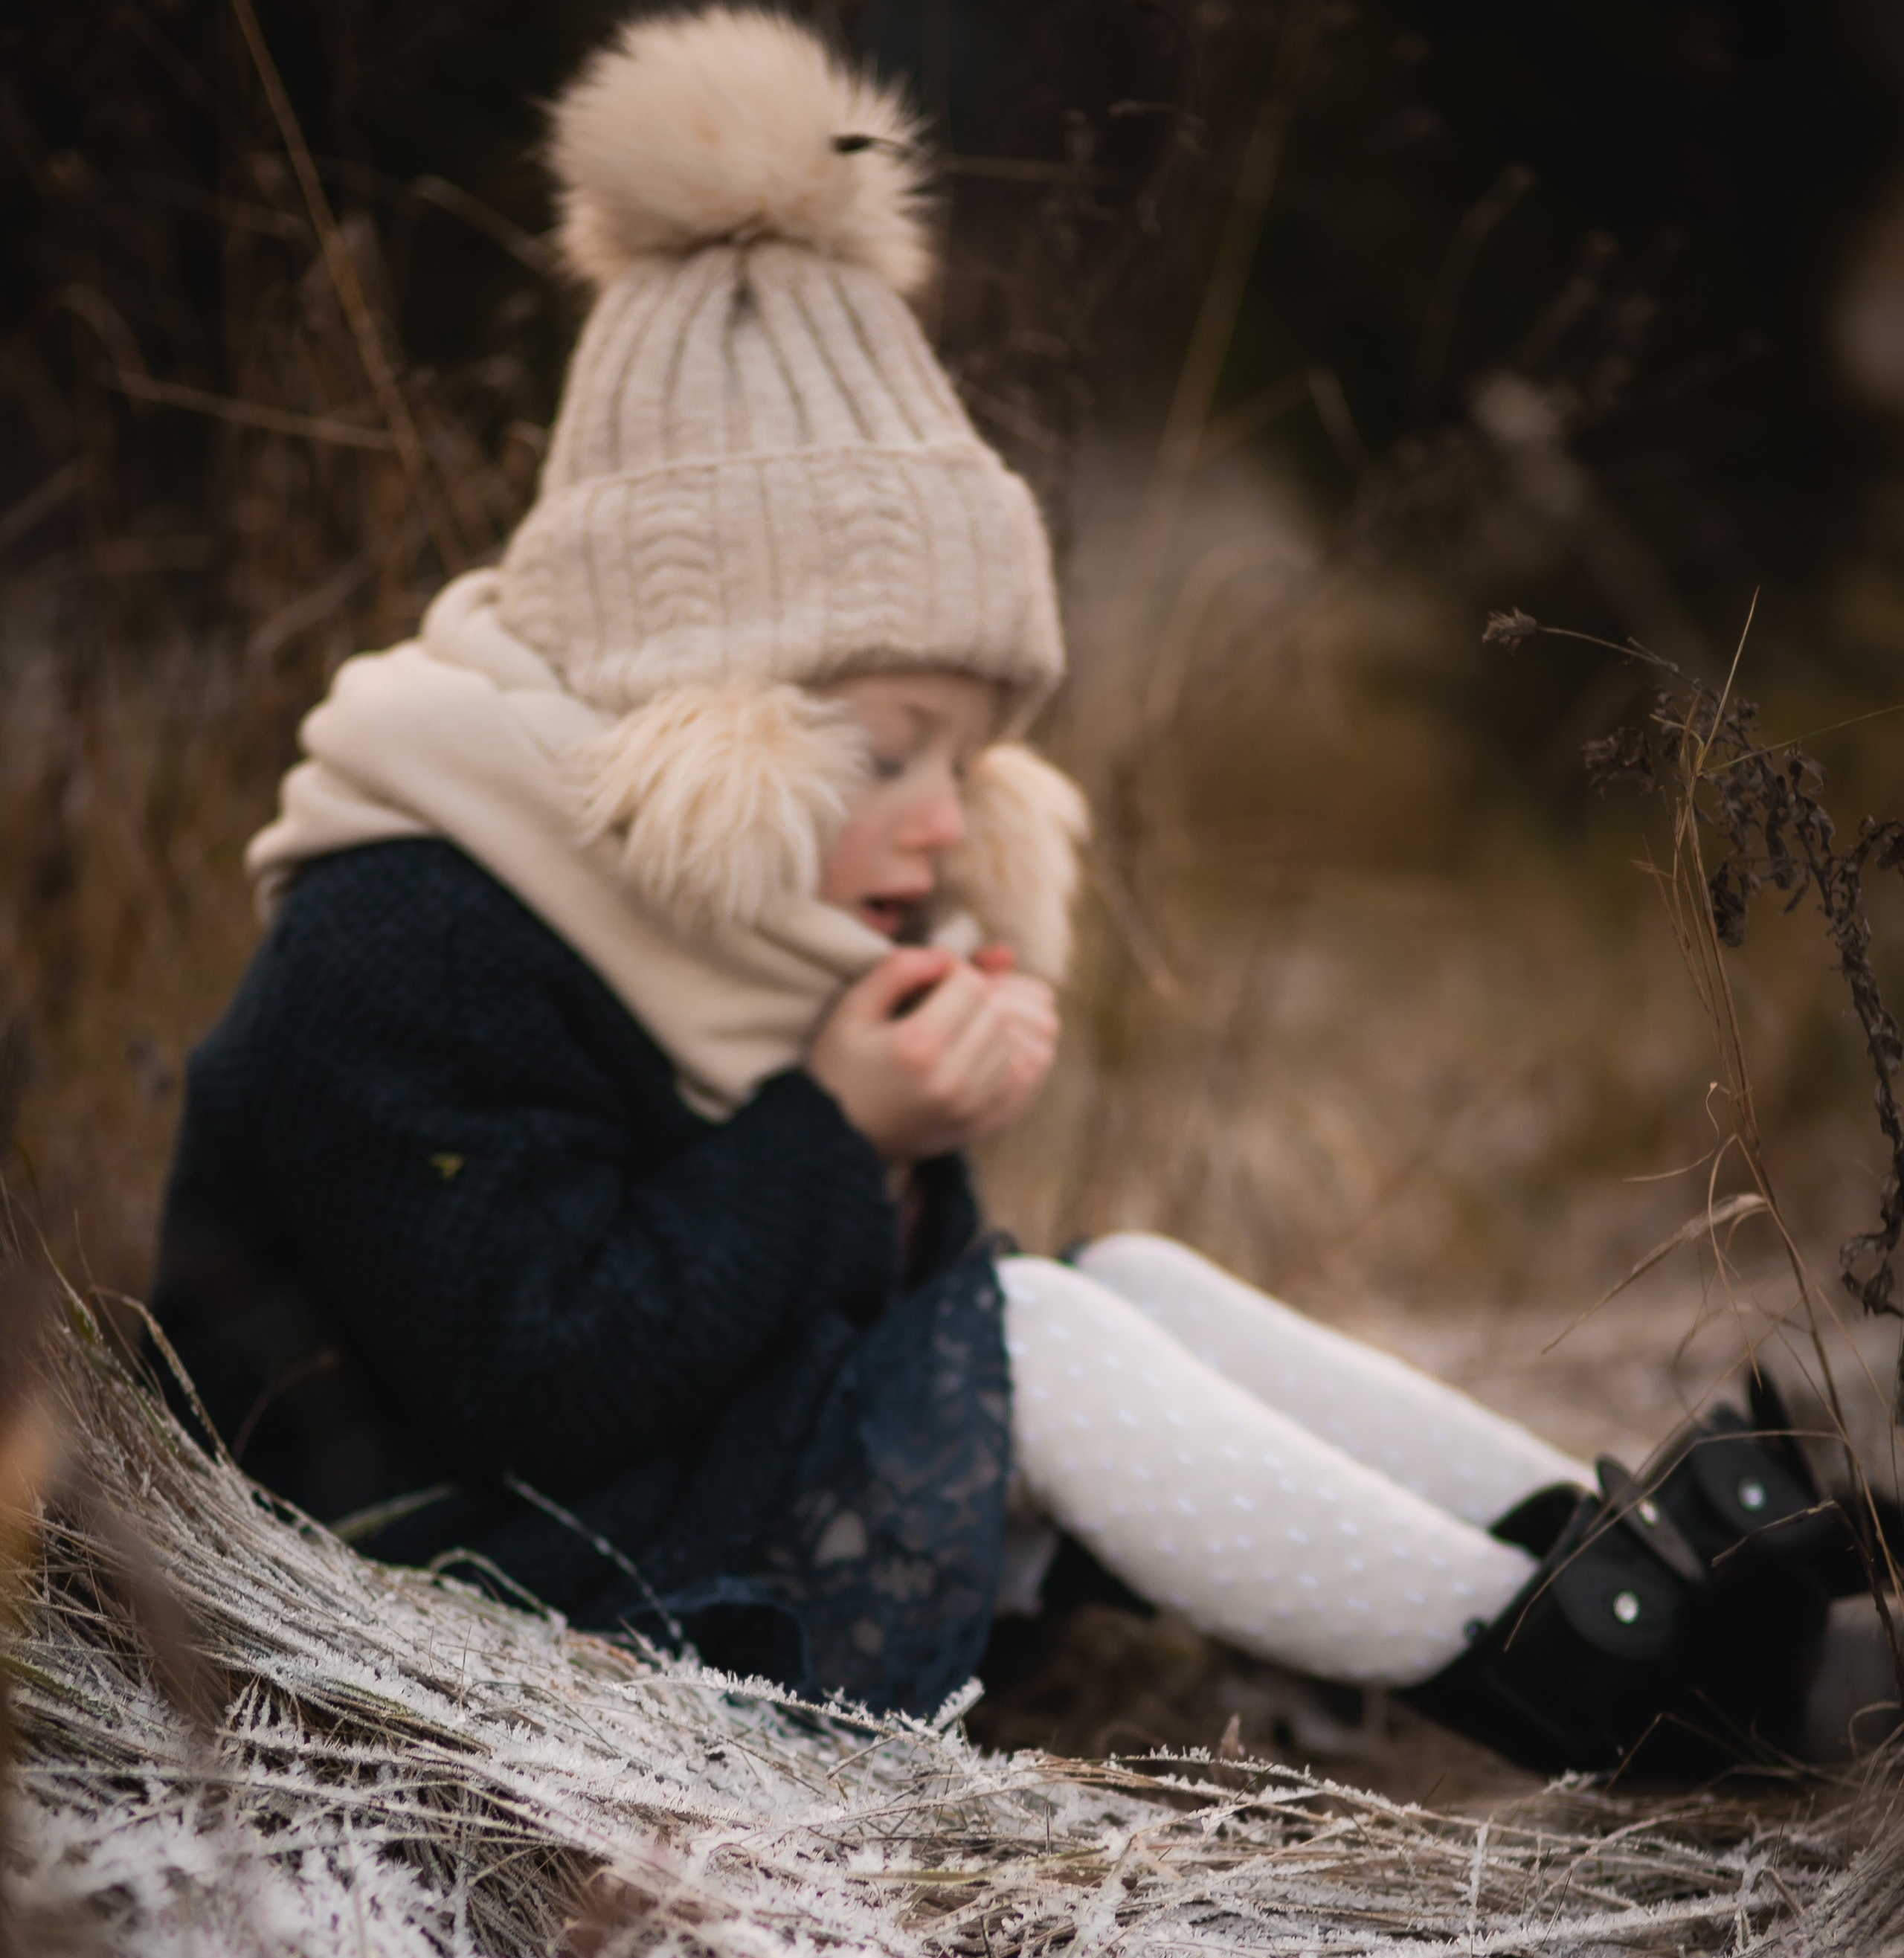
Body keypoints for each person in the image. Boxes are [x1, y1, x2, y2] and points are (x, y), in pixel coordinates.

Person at [149, 3, 1866, 1780]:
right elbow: (539, 1378)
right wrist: (838, 1129)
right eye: (888, 750)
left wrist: (892, 1144)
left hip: (660, 1505)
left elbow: (871, 1313)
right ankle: (1672, 1702)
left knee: (1123, 1278)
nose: (937, 822)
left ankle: (1621, 1566)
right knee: (1037, 1333)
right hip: (459, 1594)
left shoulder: (746, 910)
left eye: (966, 760)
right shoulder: (405, 931)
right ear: (699, 710)